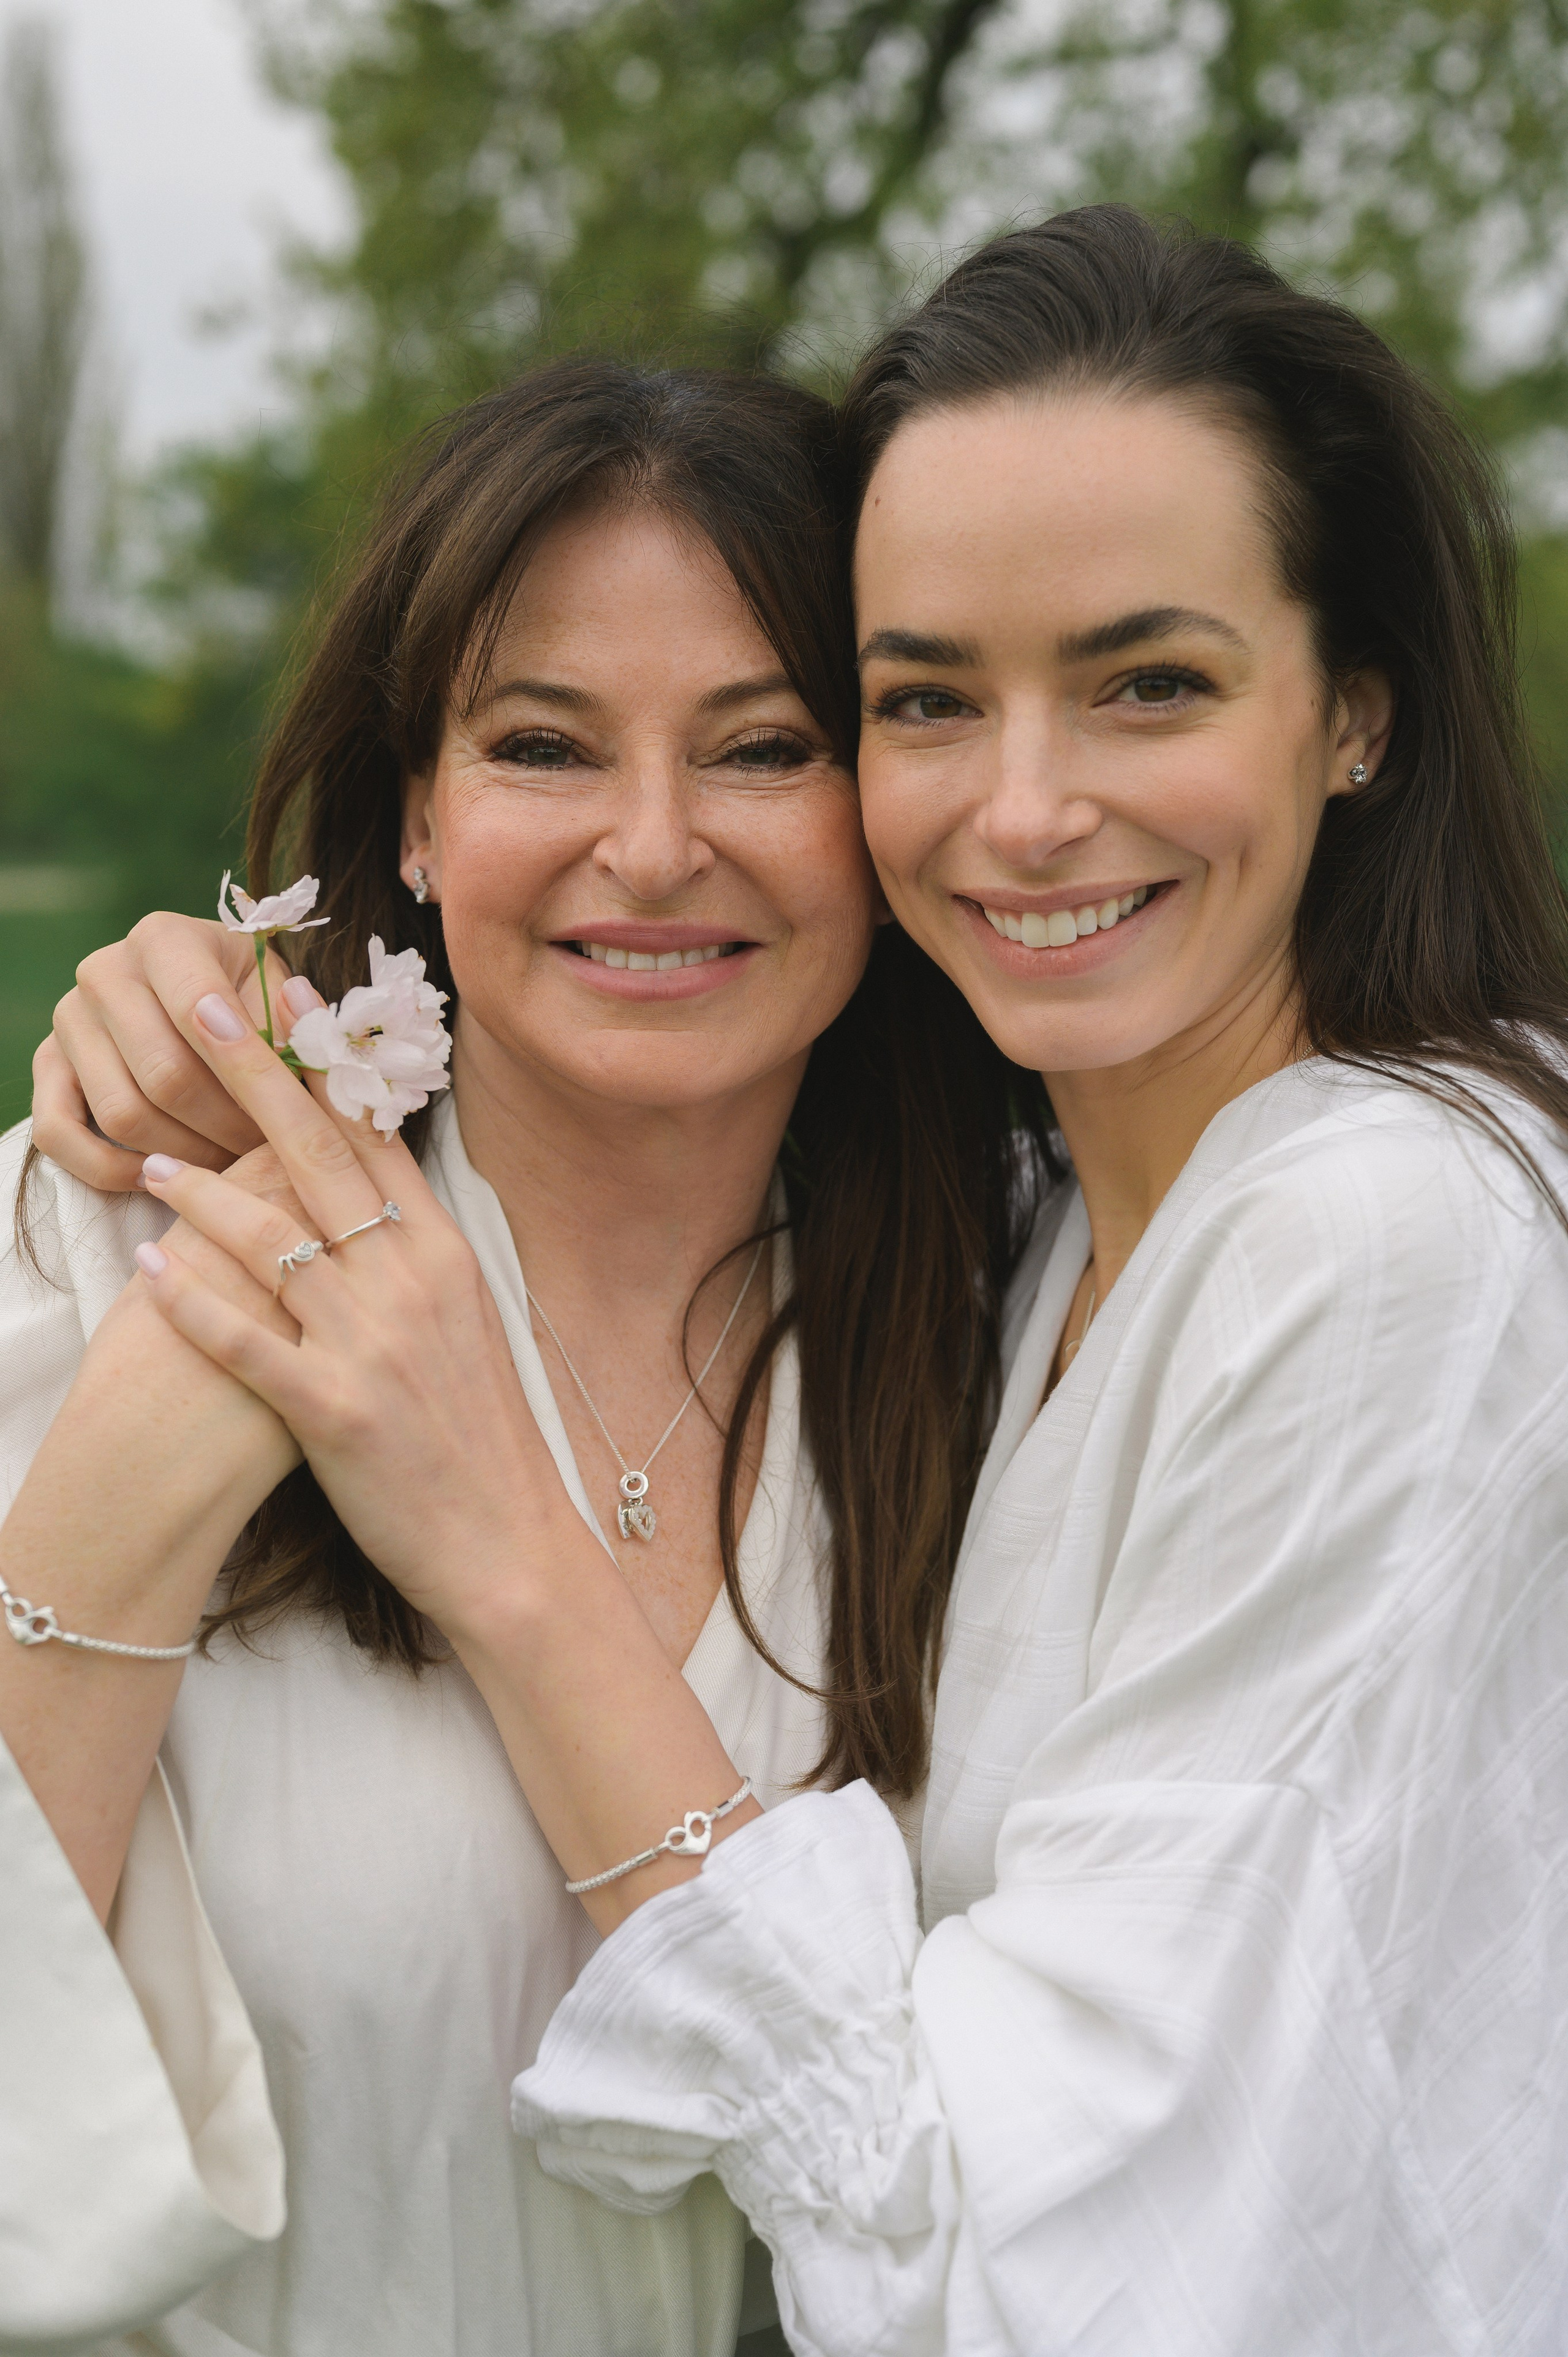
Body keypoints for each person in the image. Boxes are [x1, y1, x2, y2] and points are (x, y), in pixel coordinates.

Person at [55, 206, 1568, 2354]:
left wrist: (495, 1525)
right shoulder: (1015, 1240)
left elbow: (1043, 2276)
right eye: (931, 700)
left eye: (1153, 682)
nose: (1027, 810)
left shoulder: (1378, 1235)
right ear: (411, 809)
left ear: (1360, 714)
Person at [0, 361, 1049, 2356]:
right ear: (418, 796)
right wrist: (129, 1462)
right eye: (546, 747)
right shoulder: (113, 1242)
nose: (652, 852)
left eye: (763, 750)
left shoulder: (1042, 1317)